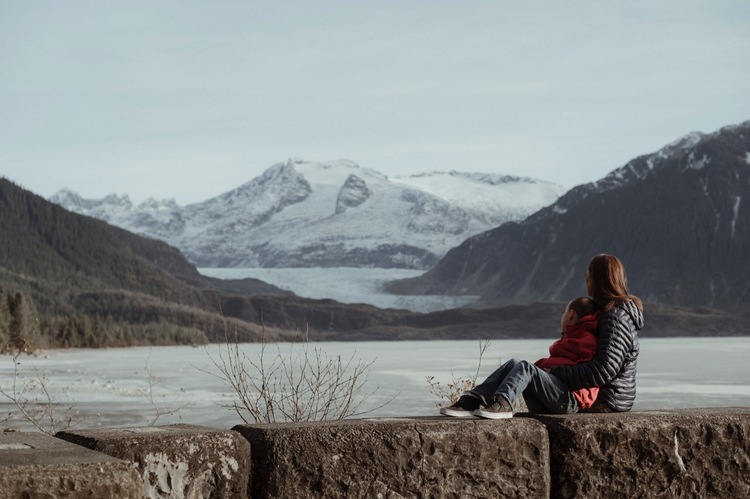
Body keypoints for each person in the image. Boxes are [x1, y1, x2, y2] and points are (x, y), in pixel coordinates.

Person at [439, 254, 644, 419]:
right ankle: (473, 399)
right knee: (514, 364)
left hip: (605, 402)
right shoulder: (606, 312)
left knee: (527, 369)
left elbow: (604, 370)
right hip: (587, 395)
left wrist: (554, 372)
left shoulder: (616, 316)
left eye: (587, 275)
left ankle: (503, 404)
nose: (586, 281)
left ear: (596, 278)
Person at [534, 297, 600, 411]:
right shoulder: (573, 339)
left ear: (571, 315)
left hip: (575, 398)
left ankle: (499, 405)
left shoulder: (586, 341)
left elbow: (583, 372)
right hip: (561, 394)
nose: (562, 316)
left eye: (564, 312)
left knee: (524, 368)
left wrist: (546, 366)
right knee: (514, 365)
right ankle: (493, 400)